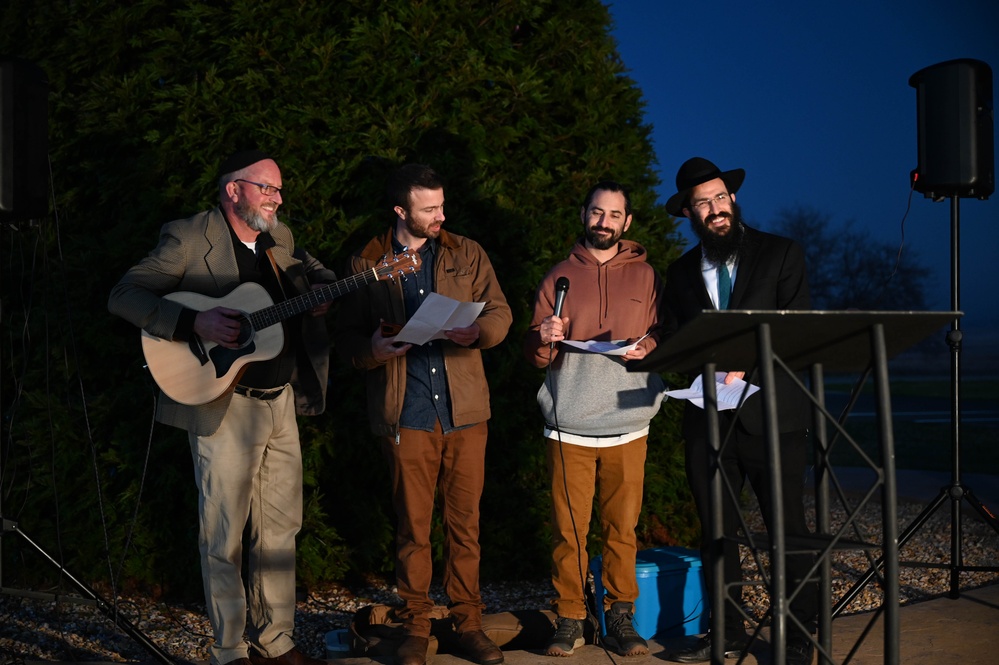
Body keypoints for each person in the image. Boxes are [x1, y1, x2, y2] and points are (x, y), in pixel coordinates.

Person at [108, 150, 333, 665]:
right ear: (233, 190)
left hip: (279, 404)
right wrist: (194, 325)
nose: (276, 199)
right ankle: (230, 649)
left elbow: (313, 268)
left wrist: (321, 287)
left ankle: (276, 638)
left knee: (281, 527)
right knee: (225, 531)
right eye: (266, 189)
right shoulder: (190, 237)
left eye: (279, 190)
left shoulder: (281, 238)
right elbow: (125, 294)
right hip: (225, 404)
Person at [334, 164, 512, 665]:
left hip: (466, 411)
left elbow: (499, 311)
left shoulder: (466, 252)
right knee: (413, 526)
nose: (441, 215)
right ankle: (415, 625)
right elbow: (346, 339)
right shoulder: (366, 262)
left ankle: (467, 622)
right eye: (429, 208)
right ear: (400, 211)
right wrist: (370, 348)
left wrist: (477, 332)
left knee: (465, 524)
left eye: (441, 205)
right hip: (405, 413)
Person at [659, 157, 818, 665]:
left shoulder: (780, 253)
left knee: (787, 531)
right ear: (688, 213)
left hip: (772, 415)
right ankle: (725, 631)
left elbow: (797, 332)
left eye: (720, 197)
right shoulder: (680, 273)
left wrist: (745, 369)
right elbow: (673, 338)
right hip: (707, 420)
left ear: (733, 199)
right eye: (703, 202)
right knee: (717, 533)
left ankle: (797, 637)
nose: (715, 208)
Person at [524, 182, 665, 658]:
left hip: (629, 419)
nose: (604, 221)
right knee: (569, 530)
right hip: (570, 423)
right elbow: (536, 355)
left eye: (614, 215)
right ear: (584, 215)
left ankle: (621, 617)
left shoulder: (646, 276)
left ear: (627, 223)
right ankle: (570, 619)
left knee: (622, 529)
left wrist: (651, 346)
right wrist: (543, 337)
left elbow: (665, 333)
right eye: (596, 212)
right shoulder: (557, 277)